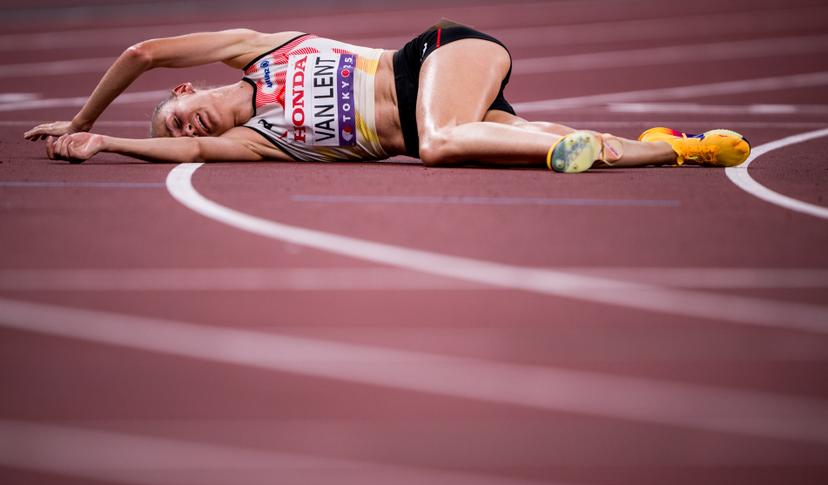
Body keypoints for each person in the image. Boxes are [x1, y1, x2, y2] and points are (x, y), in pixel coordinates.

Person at [23, 20, 751, 173]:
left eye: (181, 116)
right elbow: (184, 150)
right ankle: (671, 150)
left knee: (437, 145)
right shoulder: (260, 140)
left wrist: (83, 117)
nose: (194, 128)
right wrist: (111, 143)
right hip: (457, 116)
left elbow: (140, 52)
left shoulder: (258, 50)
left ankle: (582, 147)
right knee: (529, 143)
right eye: (186, 136)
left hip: (442, 54)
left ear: (185, 88)